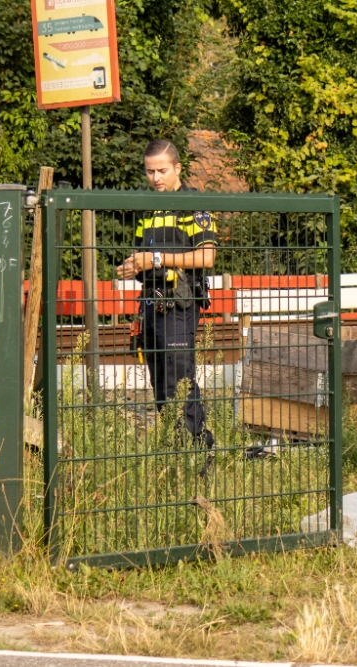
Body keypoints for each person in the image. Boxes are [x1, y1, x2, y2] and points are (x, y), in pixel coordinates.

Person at [116, 139, 217, 474]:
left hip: (179, 305)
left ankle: (202, 456)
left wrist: (156, 258)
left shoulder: (193, 206)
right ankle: (176, 454)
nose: (155, 177)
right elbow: (142, 258)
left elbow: (207, 256)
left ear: (178, 168)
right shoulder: (149, 210)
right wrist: (133, 266)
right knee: (160, 385)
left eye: (162, 170)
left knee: (180, 382)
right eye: (150, 171)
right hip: (150, 305)